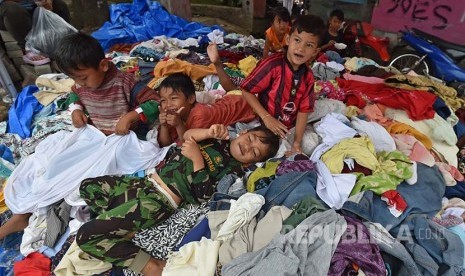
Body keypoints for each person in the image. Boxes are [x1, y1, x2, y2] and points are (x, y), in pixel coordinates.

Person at [76, 124, 280, 275]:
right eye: (251, 139)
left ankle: (150, 266)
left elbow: (205, 197)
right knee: (88, 186)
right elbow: (188, 136)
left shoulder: (232, 171)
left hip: (158, 201)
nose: (248, 147)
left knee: (86, 236)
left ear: (251, 163)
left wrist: (197, 160)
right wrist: (208, 132)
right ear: (244, 132)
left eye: (254, 152)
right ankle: (122, 227)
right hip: (144, 185)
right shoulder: (218, 140)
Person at [241, 14, 325, 154]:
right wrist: (267, 118)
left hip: (288, 127)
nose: (301, 48)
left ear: (315, 52)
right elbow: (246, 90)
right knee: (259, 149)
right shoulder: (272, 64)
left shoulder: (308, 77)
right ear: (287, 39)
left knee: (310, 145)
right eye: (297, 40)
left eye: (309, 45)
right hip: (263, 121)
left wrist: (297, 143)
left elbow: (303, 111)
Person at [55, 32, 160, 136]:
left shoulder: (125, 83)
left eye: (84, 78)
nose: (79, 83)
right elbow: (75, 94)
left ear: (103, 65)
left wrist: (131, 117)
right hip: (99, 135)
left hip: (129, 135)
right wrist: (76, 109)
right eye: (73, 78)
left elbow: (155, 102)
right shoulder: (81, 85)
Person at [157, 57, 256, 147]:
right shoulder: (176, 114)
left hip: (246, 103)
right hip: (230, 98)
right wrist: (164, 126)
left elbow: (185, 144)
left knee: (234, 92)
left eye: (173, 98)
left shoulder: (200, 115)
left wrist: (178, 125)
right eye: (163, 100)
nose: (168, 104)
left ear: (191, 99)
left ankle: (217, 63)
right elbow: (165, 144)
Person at [0, 0, 70, 51]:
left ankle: (66, 42)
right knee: (13, 10)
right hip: (6, 12)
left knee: (59, 5)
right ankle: (30, 48)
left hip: (31, 7)